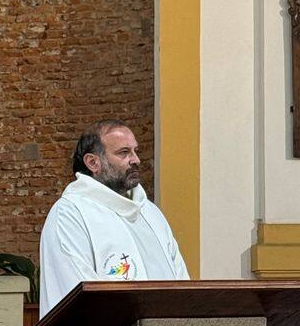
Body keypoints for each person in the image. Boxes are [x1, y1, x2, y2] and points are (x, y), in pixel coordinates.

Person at [39, 122, 190, 315]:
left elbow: (181, 280)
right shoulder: (71, 214)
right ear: (93, 163)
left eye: (136, 151)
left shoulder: (150, 212)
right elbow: (75, 295)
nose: (135, 160)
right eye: (124, 152)